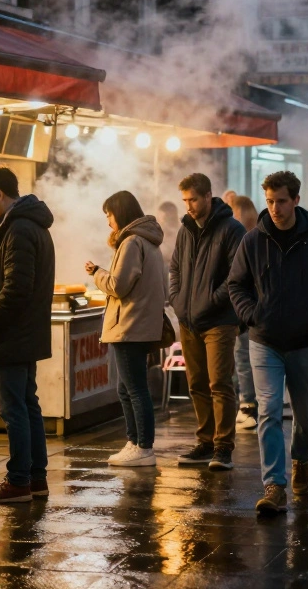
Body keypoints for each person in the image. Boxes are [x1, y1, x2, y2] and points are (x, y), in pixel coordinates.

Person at [229, 172, 308, 516]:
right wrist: (252, 314)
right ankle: (274, 485)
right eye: (269, 201)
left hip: (304, 340)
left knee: (306, 414)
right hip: (264, 340)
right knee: (269, 409)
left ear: (295, 200)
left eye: (281, 201)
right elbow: (237, 285)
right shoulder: (252, 240)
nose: (275, 208)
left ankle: (301, 460)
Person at [0, 167, 56, 503]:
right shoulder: (30, 225)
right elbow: (15, 279)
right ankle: (36, 478)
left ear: (0, 195)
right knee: (27, 404)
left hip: (12, 335)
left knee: (13, 409)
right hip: (26, 332)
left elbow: (17, 288)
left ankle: (18, 479)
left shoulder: (18, 228)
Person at [170, 173, 246, 470]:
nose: (189, 206)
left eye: (193, 199)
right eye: (185, 200)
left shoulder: (231, 229)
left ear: (208, 197)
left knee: (219, 383)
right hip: (188, 319)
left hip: (220, 321)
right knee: (197, 383)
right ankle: (205, 441)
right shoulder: (185, 230)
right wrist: (178, 301)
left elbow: (236, 276)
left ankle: (223, 446)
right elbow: (174, 268)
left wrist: (209, 301)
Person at [85, 191, 166, 467]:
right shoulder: (149, 241)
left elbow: (118, 286)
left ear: (120, 212)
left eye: (109, 215)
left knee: (134, 388)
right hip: (140, 324)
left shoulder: (132, 242)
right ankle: (133, 442)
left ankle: (143, 447)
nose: (108, 222)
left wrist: (97, 273)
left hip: (130, 325)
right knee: (126, 388)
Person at [229, 194, 260, 430]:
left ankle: (247, 406)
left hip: (247, 310)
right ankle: (252, 404)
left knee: (243, 358)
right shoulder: (257, 236)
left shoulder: (245, 239)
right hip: (254, 308)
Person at [157, 201, 182, 266]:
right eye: (159, 220)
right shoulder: (157, 235)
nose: (161, 223)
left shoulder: (182, 235)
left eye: (164, 219)